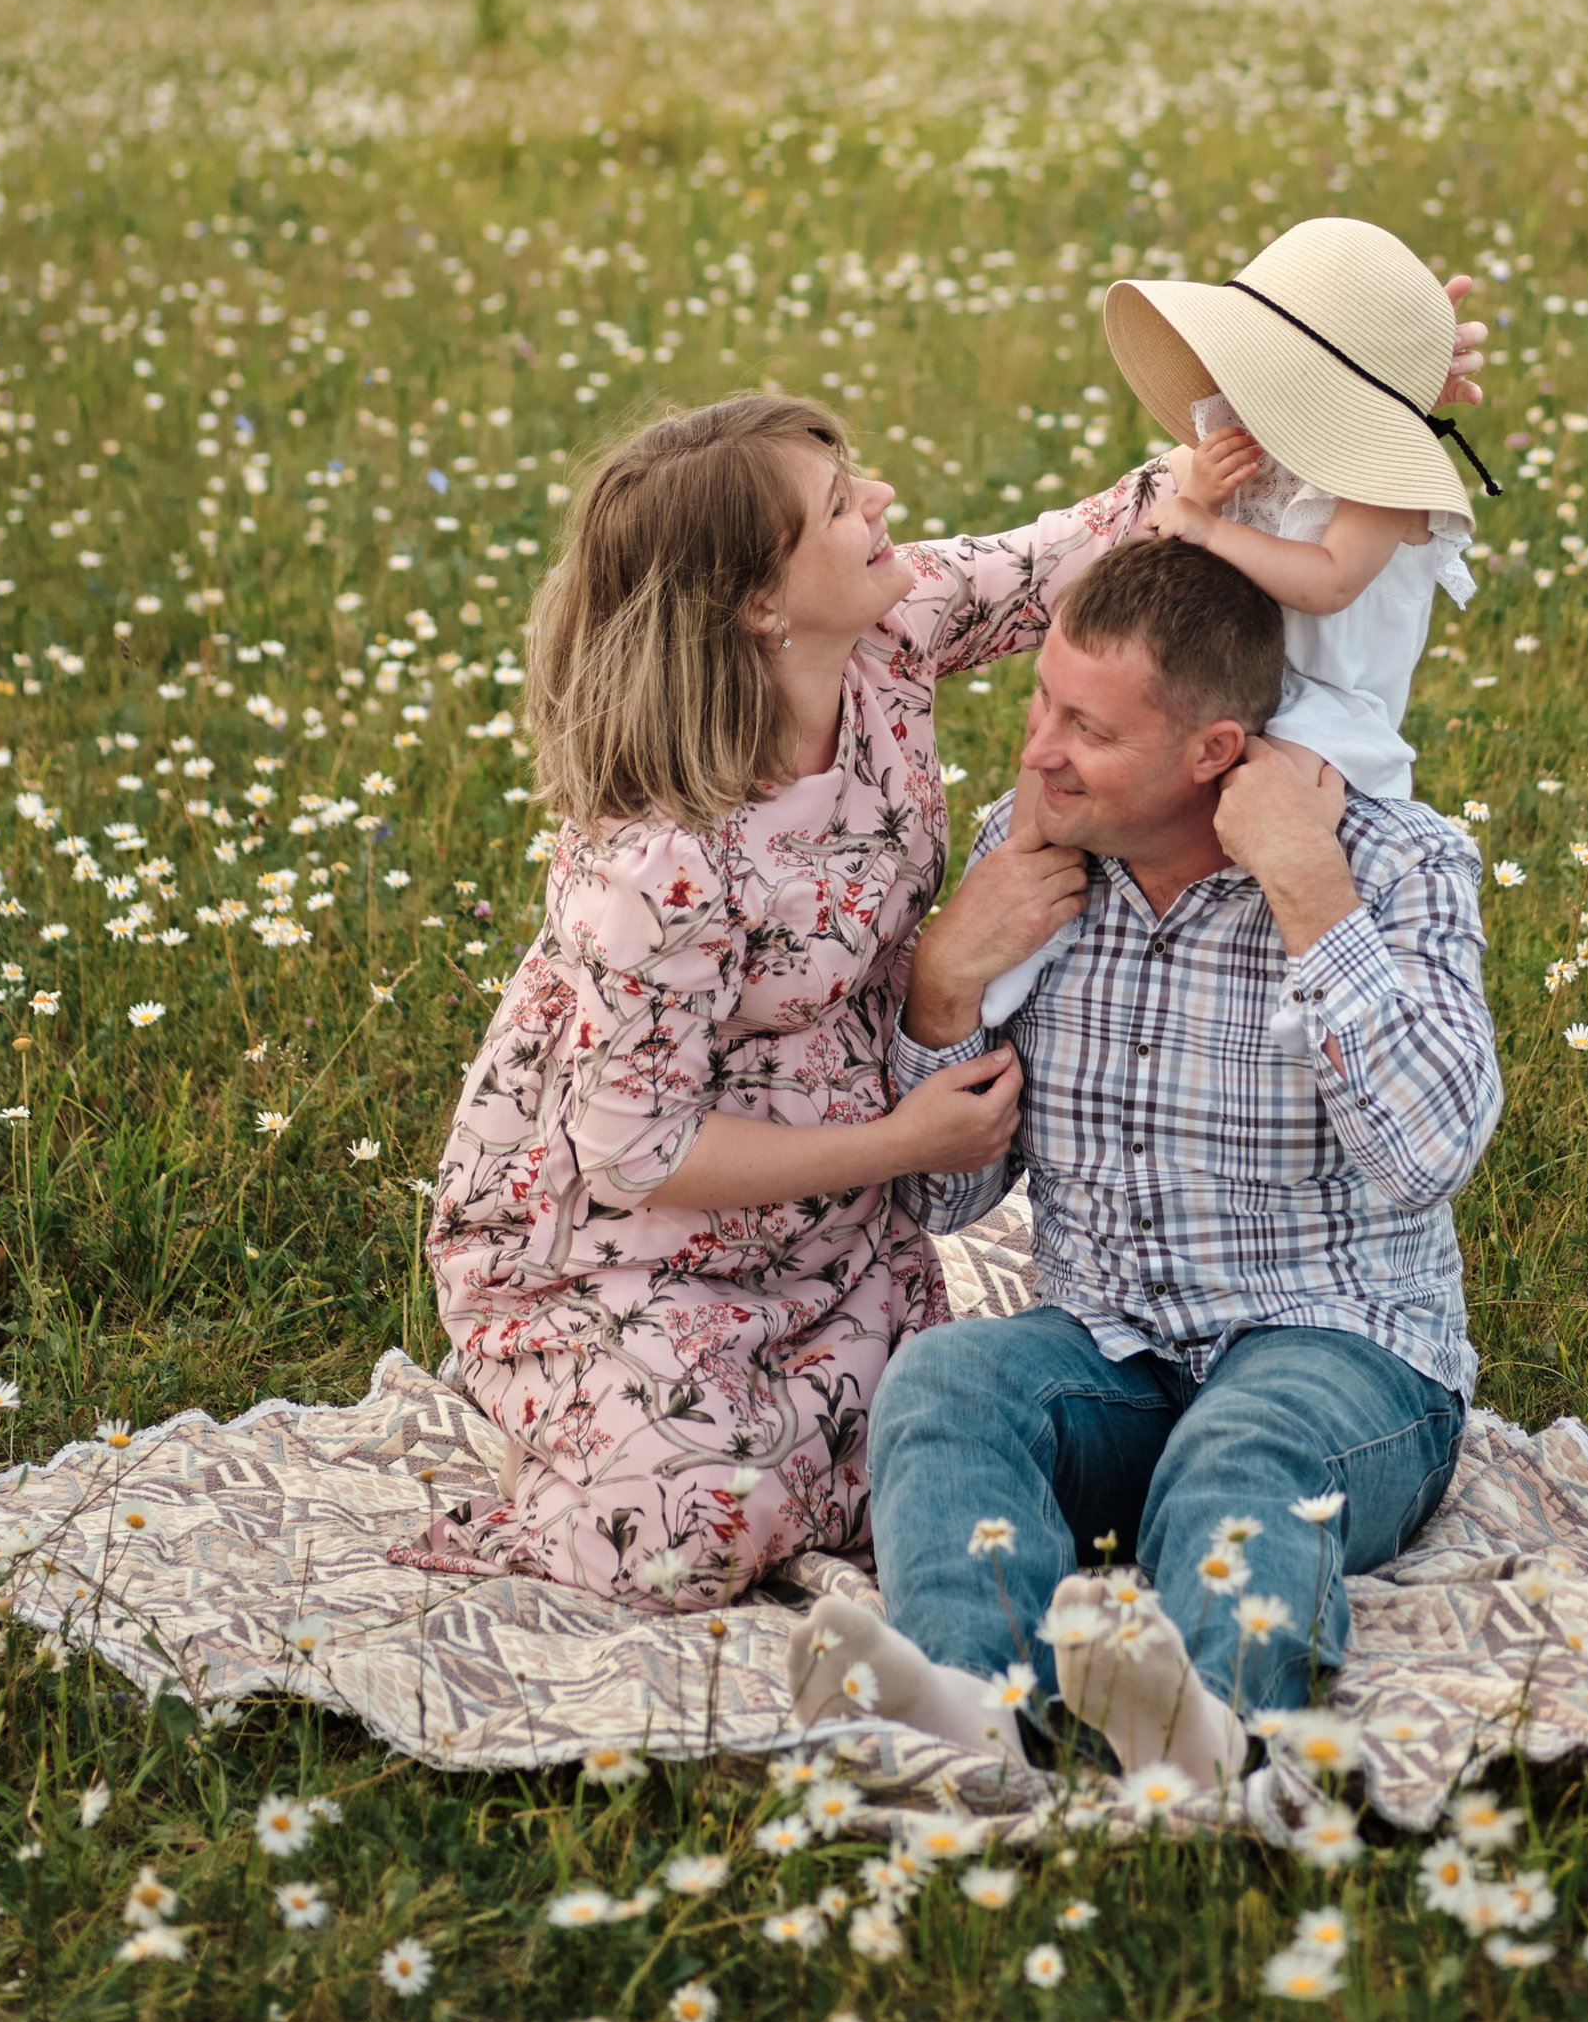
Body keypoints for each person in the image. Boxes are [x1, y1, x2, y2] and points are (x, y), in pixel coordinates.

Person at [389, 394, 1163, 1611]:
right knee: (693, 1531)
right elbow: (634, 1154)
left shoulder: (886, 632)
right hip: (616, 1251)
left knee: (952, 1463)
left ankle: (734, 1414)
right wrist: (903, 1145)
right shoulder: (657, 864)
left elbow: (1082, 545)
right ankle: (565, 1444)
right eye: (840, 504)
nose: (882, 501)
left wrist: (1329, 399)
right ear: (760, 604)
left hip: (829, 1230)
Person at [787, 530, 1500, 1788]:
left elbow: (1430, 1154)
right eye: (1042, 702)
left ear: (1213, 752)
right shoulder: (1031, 854)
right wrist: (942, 987)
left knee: (1247, 1444)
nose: (1038, 750)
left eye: (1090, 729)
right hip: (1112, 1352)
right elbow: (951, 1197)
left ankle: (1213, 1736)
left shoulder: (1394, 863)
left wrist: (1305, 886)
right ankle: (973, 1713)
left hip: (1346, 1355)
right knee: (945, 1381)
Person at [978, 214, 1497, 1033]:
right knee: (1045, 786)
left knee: (1279, 812)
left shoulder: (1385, 485)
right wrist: (1201, 500)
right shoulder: (1248, 435)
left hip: (1327, 701)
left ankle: (1300, 974)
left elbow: (1329, 583)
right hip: (1224, 663)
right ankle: (1018, 932)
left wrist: (1211, 529)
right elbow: (1174, 541)